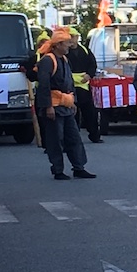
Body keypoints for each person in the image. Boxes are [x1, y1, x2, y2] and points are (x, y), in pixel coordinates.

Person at [36, 28, 96, 180]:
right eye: (66, 43)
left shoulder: (64, 59)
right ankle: (58, 170)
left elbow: (69, 83)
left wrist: (72, 101)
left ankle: (79, 167)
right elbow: (44, 85)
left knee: (73, 137)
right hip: (54, 106)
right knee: (55, 139)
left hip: (66, 105)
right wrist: (48, 106)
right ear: (57, 45)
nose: (69, 45)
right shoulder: (48, 61)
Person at [67, 27, 102, 143]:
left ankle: (94, 135)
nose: (71, 39)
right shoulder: (64, 52)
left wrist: (89, 75)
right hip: (69, 86)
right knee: (73, 112)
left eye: (73, 37)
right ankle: (74, 137)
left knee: (90, 112)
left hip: (83, 85)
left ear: (77, 38)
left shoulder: (85, 50)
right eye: (69, 37)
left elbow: (92, 64)